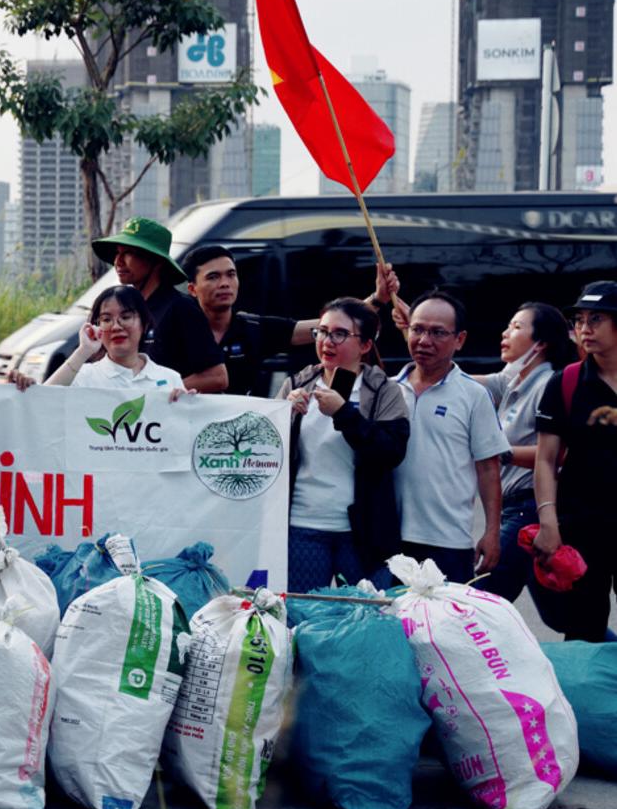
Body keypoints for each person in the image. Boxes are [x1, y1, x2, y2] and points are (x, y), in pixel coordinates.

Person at [278, 299, 410, 592]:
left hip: (362, 531)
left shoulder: (383, 390)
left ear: (364, 345)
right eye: (322, 331)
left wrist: (344, 413)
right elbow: (266, 454)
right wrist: (282, 417)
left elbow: (391, 452)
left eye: (339, 334)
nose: (327, 341)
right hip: (303, 524)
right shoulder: (298, 383)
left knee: (367, 617)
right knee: (304, 617)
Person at [388, 290, 509, 583]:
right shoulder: (387, 390)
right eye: (417, 329)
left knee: (443, 627)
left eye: (437, 332)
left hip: (448, 542)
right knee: (391, 625)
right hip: (389, 539)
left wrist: (492, 532)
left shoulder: (473, 395)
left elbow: (488, 468)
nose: (424, 340)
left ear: (460, 339)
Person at [469, 302, 577, 608]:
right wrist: (414, 325)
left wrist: (499, 453)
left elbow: (560, 455)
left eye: (516, 327)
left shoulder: (548, 384)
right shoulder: (511, 380)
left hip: (529, 510)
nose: (505, 333)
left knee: (478, 600)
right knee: (563, 617)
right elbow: (453, 376)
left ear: (540, 343)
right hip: (512, 508)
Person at [184, 245, 399, 397]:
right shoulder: (175, 330)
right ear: (192, 289)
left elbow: (330, 325)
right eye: (213, 277)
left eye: (231, 275)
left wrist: (377, 299)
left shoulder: (252, 328)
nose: (225, 283)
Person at [533, 280, 617, 642]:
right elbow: (546, 461)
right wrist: (548, 521)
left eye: (596, 318)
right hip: (583, 527)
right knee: (584, 629)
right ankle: (587, 701)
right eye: (580, 319)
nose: (584, 328)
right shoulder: (564, 383)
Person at [90, 217, 227, 392]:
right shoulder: (130, 310)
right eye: (118, 253)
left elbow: (217, 377)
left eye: (129, 253)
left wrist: (158, 392)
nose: (118, 261)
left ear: (156, 261)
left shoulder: (181, 308)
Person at [45, 285, 185, 391]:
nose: (116, 327)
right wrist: (84, 350)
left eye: (125, 317)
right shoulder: (84, 377)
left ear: (145, 324)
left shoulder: (170, 379)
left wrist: (185, 406)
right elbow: (43, 401)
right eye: (106, 320)